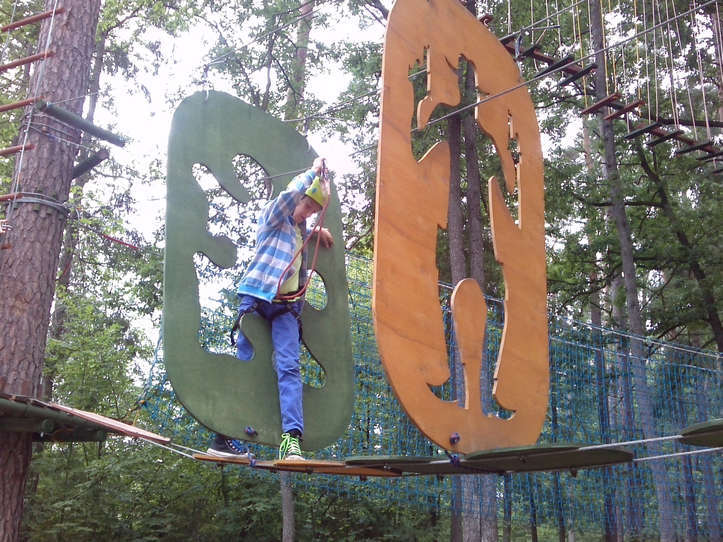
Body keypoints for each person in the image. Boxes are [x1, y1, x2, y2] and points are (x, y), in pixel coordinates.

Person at [207, 157, 333, 461]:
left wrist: (317, 231)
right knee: (246, 362)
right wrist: (312, 173)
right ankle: (225, 435)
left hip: (286, 307)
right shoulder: (273, 216)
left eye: (313, 211)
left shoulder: (300, 231)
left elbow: (298, 235)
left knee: (289, 366)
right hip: (257, 298)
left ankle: (291, 440)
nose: (307, 213)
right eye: (306, 206)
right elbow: (288, 200)